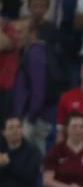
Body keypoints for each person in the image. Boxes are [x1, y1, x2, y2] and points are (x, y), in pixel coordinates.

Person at [12, 17, 57, 152]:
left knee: (32, 163)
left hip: (35, 119)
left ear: (32, 33)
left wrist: (30, 119)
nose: (16, 36)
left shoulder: (36, 53)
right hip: (32, 116)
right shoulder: (30, 51)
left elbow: (38, 90)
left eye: (20, 32)